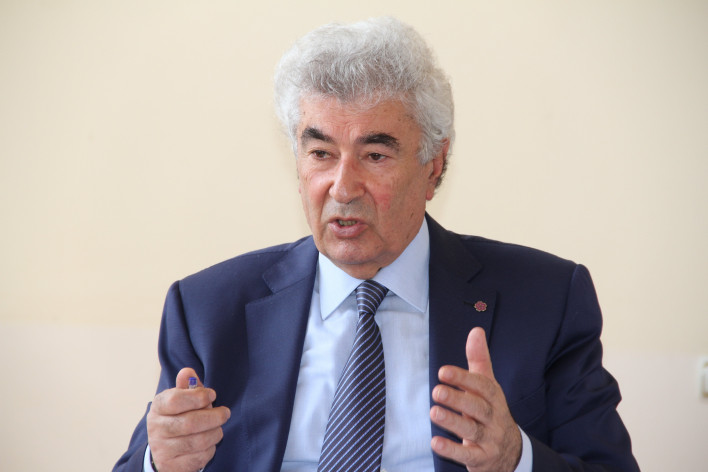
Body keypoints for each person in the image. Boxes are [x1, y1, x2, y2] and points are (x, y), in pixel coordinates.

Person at [114, 17, 639, 472]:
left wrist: (515, 458)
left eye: (375, 156)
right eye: (321, 153)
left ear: (433, 166)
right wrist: (160, 462)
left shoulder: (545, 301)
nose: (342, 188)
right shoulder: (209, 309)